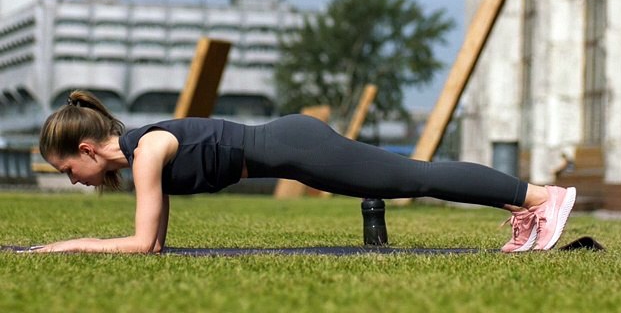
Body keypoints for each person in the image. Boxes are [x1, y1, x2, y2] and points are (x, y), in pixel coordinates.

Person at [29, 90, 576, 254]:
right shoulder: (145, 150)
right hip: (292, 148)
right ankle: (526, 206)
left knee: (415, 178)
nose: (72, 178)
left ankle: (541, 196)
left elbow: (143, 245)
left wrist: (69, 246)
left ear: (85, 147)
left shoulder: (147, 150)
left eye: (67, 168)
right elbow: (157, 245)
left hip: (296, 145)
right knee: (414, 178)